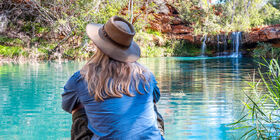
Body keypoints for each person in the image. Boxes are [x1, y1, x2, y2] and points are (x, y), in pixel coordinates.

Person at [61, 16, 164, 140]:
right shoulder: (147, 75)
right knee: (150, 102)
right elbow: (156, 98)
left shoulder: (80, 79)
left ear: (98, 44)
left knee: (78, 108)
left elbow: (68, 106)